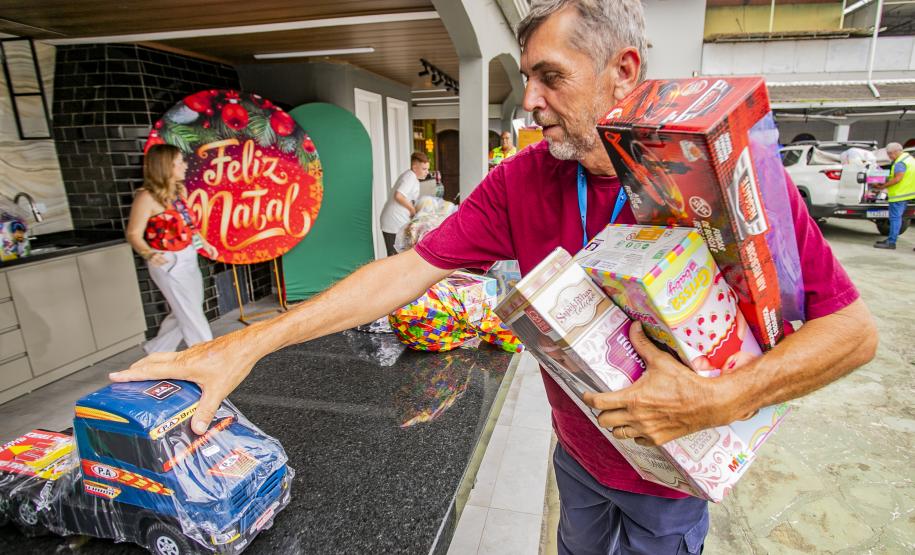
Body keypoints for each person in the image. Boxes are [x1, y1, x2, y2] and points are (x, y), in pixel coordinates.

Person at [112, 2, 877, 553]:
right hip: (577, 455)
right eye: (526, 79)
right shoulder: (521, 182)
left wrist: (722, 396)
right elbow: (405, 269)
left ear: (624, 71)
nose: (530, 101)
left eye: (549, 77)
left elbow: (854, 331)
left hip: (669, 477)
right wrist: (249, 345)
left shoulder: (719, 177)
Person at [125, 144, 219, 354]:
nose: (185, 165)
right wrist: (149, 253)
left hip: (188, 256)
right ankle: (207, 356)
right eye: (179, 161)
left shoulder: (178, 191)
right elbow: (133, 234)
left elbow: (188, 224)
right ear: (166, 166)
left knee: (184, 309)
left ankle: (157, 350)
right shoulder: (146, 197)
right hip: (168, 262)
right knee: (191, 313)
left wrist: (204, 242)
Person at [380, 152, 430, 256]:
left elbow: (408, 199)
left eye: (427, 169)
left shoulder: (412, 178)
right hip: (393, 223)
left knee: (400, 256)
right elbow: (398, 195)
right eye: (424, 169)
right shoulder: (410, 177)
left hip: (398, 221)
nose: (427, 172)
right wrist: (412, 210)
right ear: (415, 167)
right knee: (394, 258)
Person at [872, 142, 915, 250]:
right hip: (910, 193)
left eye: (890, 154)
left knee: (895, 218)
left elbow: (897, 179)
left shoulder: (900, 163)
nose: (889, 156)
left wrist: (882, 186)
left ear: (896, 151)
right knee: (898, 218)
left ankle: (891, 242)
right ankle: (890, 240)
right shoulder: (910, 159)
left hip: (900, 195)